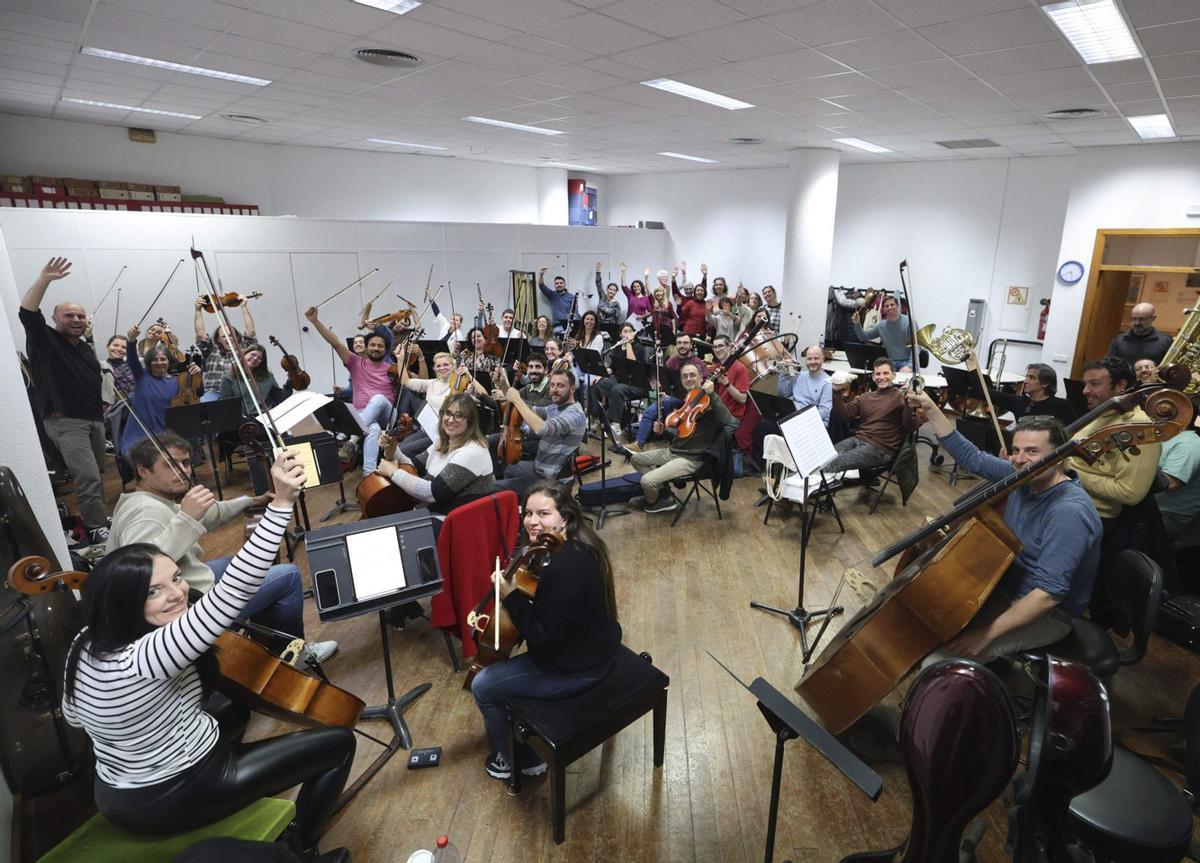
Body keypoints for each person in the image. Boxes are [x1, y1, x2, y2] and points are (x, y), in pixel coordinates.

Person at [63, 453, 354, 861]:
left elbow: (75, 717)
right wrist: (281, 503)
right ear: (124, 602)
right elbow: (229, 595)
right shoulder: (145, 656)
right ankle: (301, 849)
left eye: (176, 578)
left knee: (230, 711)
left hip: (115, 794)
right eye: (153, 591)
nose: (178, 593)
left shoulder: (84, 642)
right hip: (173, 794)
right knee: (340, 742)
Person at [906, 391, 1101, 662]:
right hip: (1005, 585)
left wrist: (985, 635)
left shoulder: (1068, 511)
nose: (1020, 459)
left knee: (938, 662)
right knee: (930, 622)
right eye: (1017, 450)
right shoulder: (1022, 476)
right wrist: (930, 407)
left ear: (1058, 457)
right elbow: (972, 458)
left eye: (1032, 451)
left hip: (1045, 613)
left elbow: (1047, 595)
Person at [107, 432, 336, 662]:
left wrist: (251, 501)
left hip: (190, 579)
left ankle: (261, 647)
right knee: (288, 576)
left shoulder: (151, 498)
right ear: (143, 471)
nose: (183, 471)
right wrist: (186, 518)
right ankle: (295, 658)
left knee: (230, 563)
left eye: (185, 463)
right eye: (170, 465)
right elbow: (139, 574)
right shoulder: (145, 513)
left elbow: (210, 514)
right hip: (188, 605)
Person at [470, 481, 621, 780]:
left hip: (578, 668)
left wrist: (510, 596)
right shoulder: (582, 543)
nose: (533, 521)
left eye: (543, 513)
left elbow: (543, 638)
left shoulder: (563, 568)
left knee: (482, 685)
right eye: (528, 513)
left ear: (564, 517)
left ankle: (518, 761)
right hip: (596, 647)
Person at [19, 257, 109, 545]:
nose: (76, 320)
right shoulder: (44, 340)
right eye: (69, 315)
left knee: (97, 474)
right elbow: (27, 312)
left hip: (93, 419)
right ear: (55, 319)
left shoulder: (83, 348)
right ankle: (96, 527)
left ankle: (99, 519)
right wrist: (44, 279)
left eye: (80, 316)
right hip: (66, 420)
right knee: (88, 476)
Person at [628, 358, 736, 514]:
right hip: (673, 451)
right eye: (685, 376)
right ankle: (663, 494)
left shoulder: (711, 402)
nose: (689, 378)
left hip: (690, 460)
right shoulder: (689, 399)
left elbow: (728, 421)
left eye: (693, 375)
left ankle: (654, 501)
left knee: (646, 481)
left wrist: (712, 394)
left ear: (701, 377)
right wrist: (663, 431)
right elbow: (682, 433)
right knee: (635, 459)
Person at [1068, 357, 1161, 522]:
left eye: (1094, 384)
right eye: (1086, 384)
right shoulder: (1101, 414)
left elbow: (1129, 492)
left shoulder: (1139, 428)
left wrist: (1068, 470)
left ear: (1120, 386)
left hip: (1093, 517)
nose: (1085, 391)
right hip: (1069, 502)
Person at [304, 306, 396, 473]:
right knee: (373, 430)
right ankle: (369, 475)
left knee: (378, 399)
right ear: (366, 348)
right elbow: (335, 342)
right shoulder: (355, 362)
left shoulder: (392, 367)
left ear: (385, 349)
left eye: (380, 346)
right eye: (372, 345)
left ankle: (353, 439)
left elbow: (416, 381)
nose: (376, 348)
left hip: (388, 415)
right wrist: (315, 321)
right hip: (364, 415)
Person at [374, 393, 495, 516]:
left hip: (456, 523)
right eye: (448, 413)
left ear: (470, 421)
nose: (451, 419)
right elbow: (413, 466)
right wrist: (392, 446)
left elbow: (431, 493)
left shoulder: (472, 452)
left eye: (459, 416)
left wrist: (394, 473)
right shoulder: (445, 441)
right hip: (437, 512)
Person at [492, 366, 586, 496]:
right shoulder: (556, 407)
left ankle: (520, 505)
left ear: (572, 388)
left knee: (496, 488)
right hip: (539, 468)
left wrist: (517, 399)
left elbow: (542, 428)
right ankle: (518, 508)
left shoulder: (574, 415)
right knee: (509, 469)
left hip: (552, 480)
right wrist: (503, 386)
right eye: (552, 385)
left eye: (560, 386)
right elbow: (527, 409)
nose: (554, 390)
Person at [826, 358, 920, 473]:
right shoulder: (865, 397)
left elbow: (911, 427)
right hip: (858, 439)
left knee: (833, 464)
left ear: (894, 376)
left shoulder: (900, 397)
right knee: (825, 458)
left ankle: (812, 486)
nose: (881, 377)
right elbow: (844, 414)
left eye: (886, 373)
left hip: (880, 448)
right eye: (878, 374)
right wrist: (836, 392)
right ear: (873, 377)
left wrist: (908, 404)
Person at [120, 326, 197, 458]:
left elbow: (194, 397)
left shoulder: (178, 382)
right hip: (139, 435)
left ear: (169, 361)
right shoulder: (141, 376)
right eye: (155, 359)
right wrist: (131, 341)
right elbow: (132, 359)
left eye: (163, 359)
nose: (159, 362)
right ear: (149, 362)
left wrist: (196, 375)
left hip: (168, 435)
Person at [752, 345, 833, 468]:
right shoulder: (800, 375)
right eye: (809, 359)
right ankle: (763, 465)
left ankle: (785, 467)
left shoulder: (826, 382)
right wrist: (785, 373)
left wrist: (803, 414)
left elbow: (825, 411)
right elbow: (783, 393)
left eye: (816, 359)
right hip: (793, 416)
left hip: (812, 421)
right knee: (765, 423)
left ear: (823, 359)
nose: (812, 362)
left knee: (791, 431)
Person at [629, 332, 699, 452]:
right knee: (648, 412)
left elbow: (701, 387)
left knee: (667, 402)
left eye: (685, 343)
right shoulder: (672, 361)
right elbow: (663, 378)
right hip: (671, 397)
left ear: (691, 345)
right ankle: (638, 444)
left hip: (690, 402)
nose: (682, 345)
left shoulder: (697, 363)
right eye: (679, 343)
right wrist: (661, 388)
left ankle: (670, 441)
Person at [969, 357, 1077, 425]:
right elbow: (983, 393)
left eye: (1032, 378)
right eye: (1026, 376)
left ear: (1045, 383)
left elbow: (1075, 430)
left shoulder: (1061, 405)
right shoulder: (1019, 402)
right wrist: (972, 364)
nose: (1025, 381)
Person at [590, 323, 649, 443]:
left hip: (637, 383)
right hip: (620, 380)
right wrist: (601, 375)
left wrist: (628, 344)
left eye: (629, 331)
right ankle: (595, 418)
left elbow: (633, 363)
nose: (627, 334)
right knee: (596, 385)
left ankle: (615, 424)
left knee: (617, 389)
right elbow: (612, 368)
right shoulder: (617, 347)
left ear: (633, 333)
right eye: (624, 332)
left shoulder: (638, 347)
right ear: (620, 334)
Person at [193, 295, 256, 403]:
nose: (228, 338)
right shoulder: (211, 349)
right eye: (224, 336)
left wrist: (244, 307)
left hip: (237, 391)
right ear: (218, 339)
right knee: (201, 407)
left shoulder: (243, 349)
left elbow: (251, 332)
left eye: (231, 335)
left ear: (236, 337)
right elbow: (200, 335)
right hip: (214, 393)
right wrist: (198, 310)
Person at [1155, 401, 1200, 539]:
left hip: (1166, 516)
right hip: (1152, 508)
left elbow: (1171, 483)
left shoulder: (1189, 443)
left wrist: (1137, 467)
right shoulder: (1167, 436)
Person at [396, 350, 454, 458]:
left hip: (439, 435)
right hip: (424, 430)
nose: (442, 368)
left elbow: (481, 395)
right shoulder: (431, 383)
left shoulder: (459, 386)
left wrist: (469, 376)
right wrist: (400, 360)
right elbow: (406, 381)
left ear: (453, 366)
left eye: (446, 364)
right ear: (435, 369)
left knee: (401, 452)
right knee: (395, 448)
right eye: (438, 366)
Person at [709, 334, 754, 454]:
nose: (717, 349)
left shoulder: (740, 368)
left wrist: (727, 384)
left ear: (729, 347)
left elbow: (743, 399)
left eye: (721, 346)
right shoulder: (715, 368)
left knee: (714, 446)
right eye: (715, 347)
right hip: (717, 414)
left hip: (732, 417)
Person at [219, 343, 288, 417]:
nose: (255, 358)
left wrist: (289, 382)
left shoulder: (268, 376)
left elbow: (280, 397)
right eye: (253, 354)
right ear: (244, 354)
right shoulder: (228, 378)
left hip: (268, 415)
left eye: (259, 358)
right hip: (246, 421)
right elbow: (226, 406)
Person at [852, 295, 912, 370]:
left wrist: (910, 365)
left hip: (907, 362)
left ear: (897, 306)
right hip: (891, 363)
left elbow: (917, 345)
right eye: (887, 306)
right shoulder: (881, 325)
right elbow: (863, 337)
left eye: (892, 305)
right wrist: (857, 323)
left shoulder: (910, 322)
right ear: (883, 309)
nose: (890, 307)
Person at [1107, 302, 1172, 365]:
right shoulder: (1119, 340)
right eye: (1134, 319)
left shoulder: (1166, 341)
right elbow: (1109, 365)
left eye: (1141, 319)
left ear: (1153, 318)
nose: (1137, 323)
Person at [673, 261, 708, 338]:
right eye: (686, 289)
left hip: (699, 330)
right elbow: (675, 292)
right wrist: (673, 279)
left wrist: (705, 276)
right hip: (685, 329)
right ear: (684, 290)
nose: (688, 291)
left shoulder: (698, 299)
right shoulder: (683, 299)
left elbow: (702, 288)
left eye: (690, 289)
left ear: (693, 290)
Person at [100, 334, 134, 407]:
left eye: (124, 347)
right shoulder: (101, 366)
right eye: (115, 345)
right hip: (112, 410)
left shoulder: (133, 364)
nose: (119, 349)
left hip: (135, 406)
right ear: (107, 346)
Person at [538, 267, 575, 332]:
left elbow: (575, 312)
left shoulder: (572, 297)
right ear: (555, 285)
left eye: (561, 283)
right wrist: (541, 275)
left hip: (569, 326)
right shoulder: (552, 295)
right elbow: (542, 286)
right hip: (557, 326)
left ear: (564, 284)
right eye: (557, 283)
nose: (559, 285)